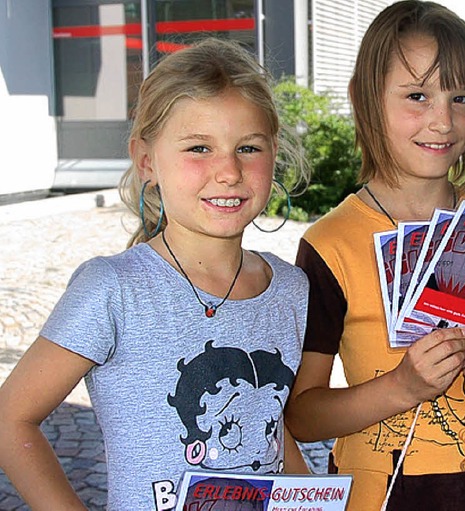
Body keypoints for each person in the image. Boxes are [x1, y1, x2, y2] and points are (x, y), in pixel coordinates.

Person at [0, 37, 310, 511]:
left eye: (248, 147)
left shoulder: (289, 289)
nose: (228, 171)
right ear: (147, 161)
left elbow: (272, 426)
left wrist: (312, 497)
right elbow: (11, 419)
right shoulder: (113, 291)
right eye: (199, 148)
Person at [285, 2, 465, 510]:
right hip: (376, 493)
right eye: (417, 95)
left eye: (461, 97)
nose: (443, 119)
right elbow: (302, 415)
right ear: (366, 102)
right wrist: (402, 386)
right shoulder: (331, 244)